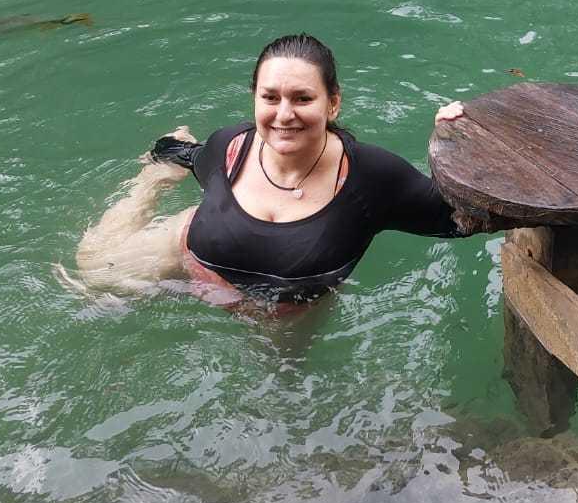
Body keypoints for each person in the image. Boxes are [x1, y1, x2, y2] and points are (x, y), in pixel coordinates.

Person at [73, 33, 470, 309]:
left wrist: (459, 144)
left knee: (283, 386)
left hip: (277, 316)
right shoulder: (231, 148)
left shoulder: (371, 176)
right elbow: (188, 155)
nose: (284, 114)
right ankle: (152, 183)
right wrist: (160, 163)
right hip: (189, 260)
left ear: (332, 104)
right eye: (270, 97)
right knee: (93, 269)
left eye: (302, 98)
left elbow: (464, 217)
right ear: (254, 99)